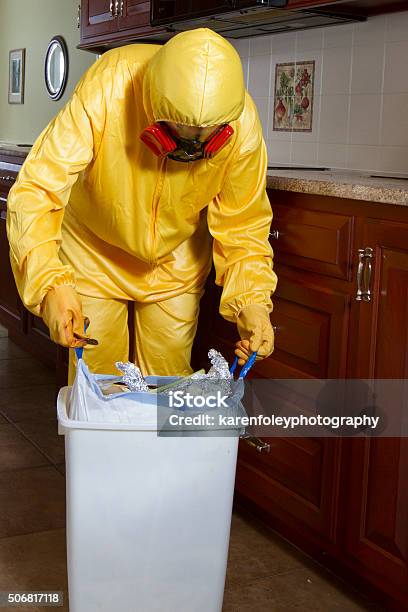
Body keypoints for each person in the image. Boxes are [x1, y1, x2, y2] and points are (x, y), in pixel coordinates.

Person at [7, 28, 277, 384]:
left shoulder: (241, 124)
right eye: (177, 134)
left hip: (175, 261)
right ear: (152, 104)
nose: (190, 150)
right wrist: (49, 285)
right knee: (100, 383)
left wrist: (253, 302)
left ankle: (153, 440)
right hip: (93, 251)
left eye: (204, 138)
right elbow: (37, 190)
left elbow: (243, 224)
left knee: (167, 383)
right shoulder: (109, 84)